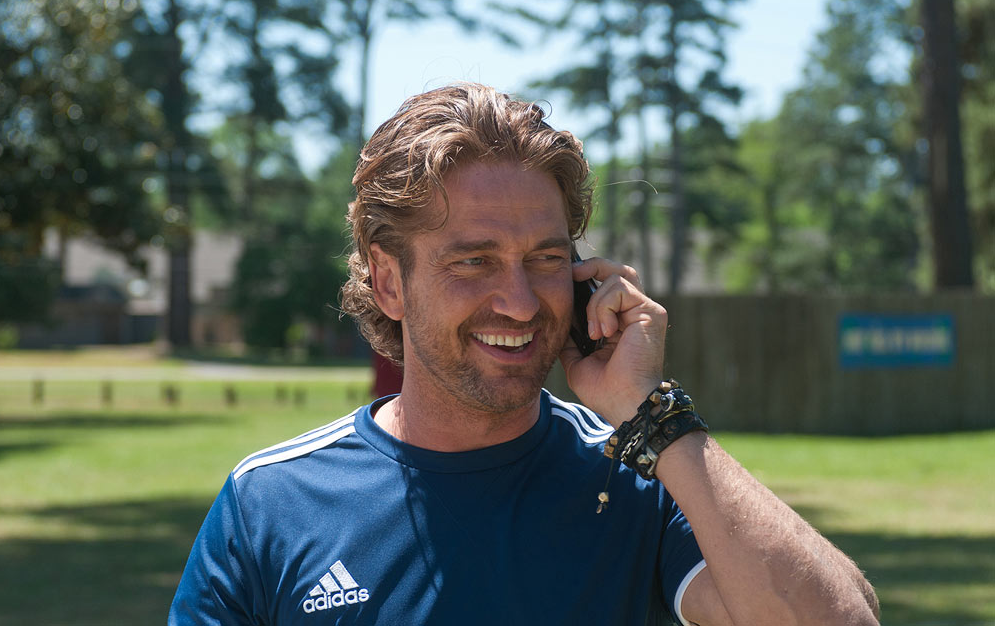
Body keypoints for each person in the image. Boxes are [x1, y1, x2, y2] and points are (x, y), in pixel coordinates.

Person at [169, 83, 880, 625]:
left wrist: (653, 418)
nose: (519, 301)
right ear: (388, 281)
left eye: (544, 258)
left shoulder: (635, 480)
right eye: (474, 261)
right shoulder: (269, 503)